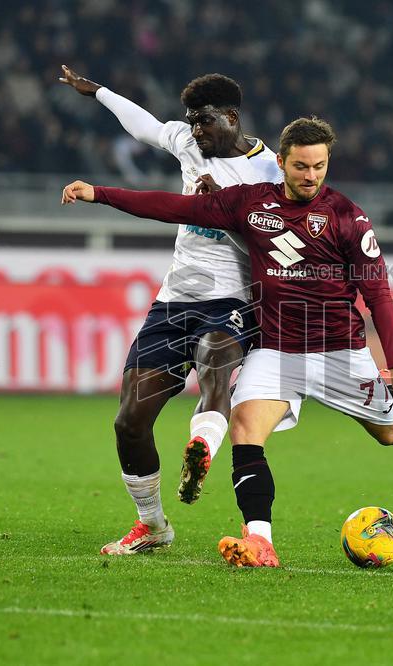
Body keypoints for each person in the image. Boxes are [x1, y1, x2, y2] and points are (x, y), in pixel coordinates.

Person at [61, 117, 393, 567]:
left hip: (341, 354)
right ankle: (260, 540)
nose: (310, 176)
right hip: (277, 350)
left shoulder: (348, 217)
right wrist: (100, 193)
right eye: (300, 166)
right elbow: (174, 208)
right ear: (280, 162)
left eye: (319, 166)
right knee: (245, 429)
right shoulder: (250, 205)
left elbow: (377, 292)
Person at [59, 67, 281, 554]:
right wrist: (99, 91)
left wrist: (225, 208)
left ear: (231, 117)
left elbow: (285, 237)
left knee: (213, 360)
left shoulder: (272, 172)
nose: (195, 131)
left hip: (233, 297)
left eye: (203, 122)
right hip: (174, 298)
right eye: (191, 122)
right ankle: (154, 526)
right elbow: (145, 126)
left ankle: (201, 447)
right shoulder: (188, 143)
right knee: (130, 420)